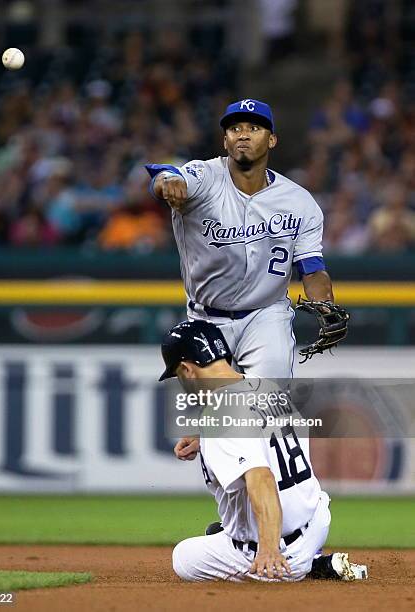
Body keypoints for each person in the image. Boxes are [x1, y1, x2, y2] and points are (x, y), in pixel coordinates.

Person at [145, 98, 347, 380]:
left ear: (272, 140)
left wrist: (326, 304)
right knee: (219, 413)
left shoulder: (298, 201)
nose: (242, 134)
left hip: (266, 316)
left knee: (268, 404)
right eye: (235, 129)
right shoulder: (204, 176)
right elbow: (166, 176)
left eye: (254, 128)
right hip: (206, 318)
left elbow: (311, 267)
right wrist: (168, 182)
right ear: (225, 140)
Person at [159, 319, 368, 583]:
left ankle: (298, 565)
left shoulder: (220, 415)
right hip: (315, 524)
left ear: (188, 370)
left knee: (184, 557)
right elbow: (261, 434)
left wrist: (268, 551)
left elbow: (262, 478)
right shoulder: (268, 388)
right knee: (218, 531)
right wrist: (206, 437)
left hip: (280, 550)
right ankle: (313, 558)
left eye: (178, 374)